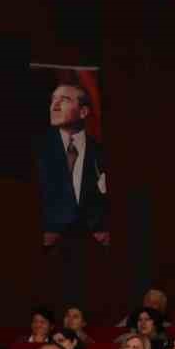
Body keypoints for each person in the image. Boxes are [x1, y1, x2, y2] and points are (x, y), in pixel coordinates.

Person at [36, 82, 109, 249]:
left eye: (65, 99)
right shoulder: (38, 151)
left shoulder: (101, 152)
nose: (54, 106)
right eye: (53, 100)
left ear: (83, 112)